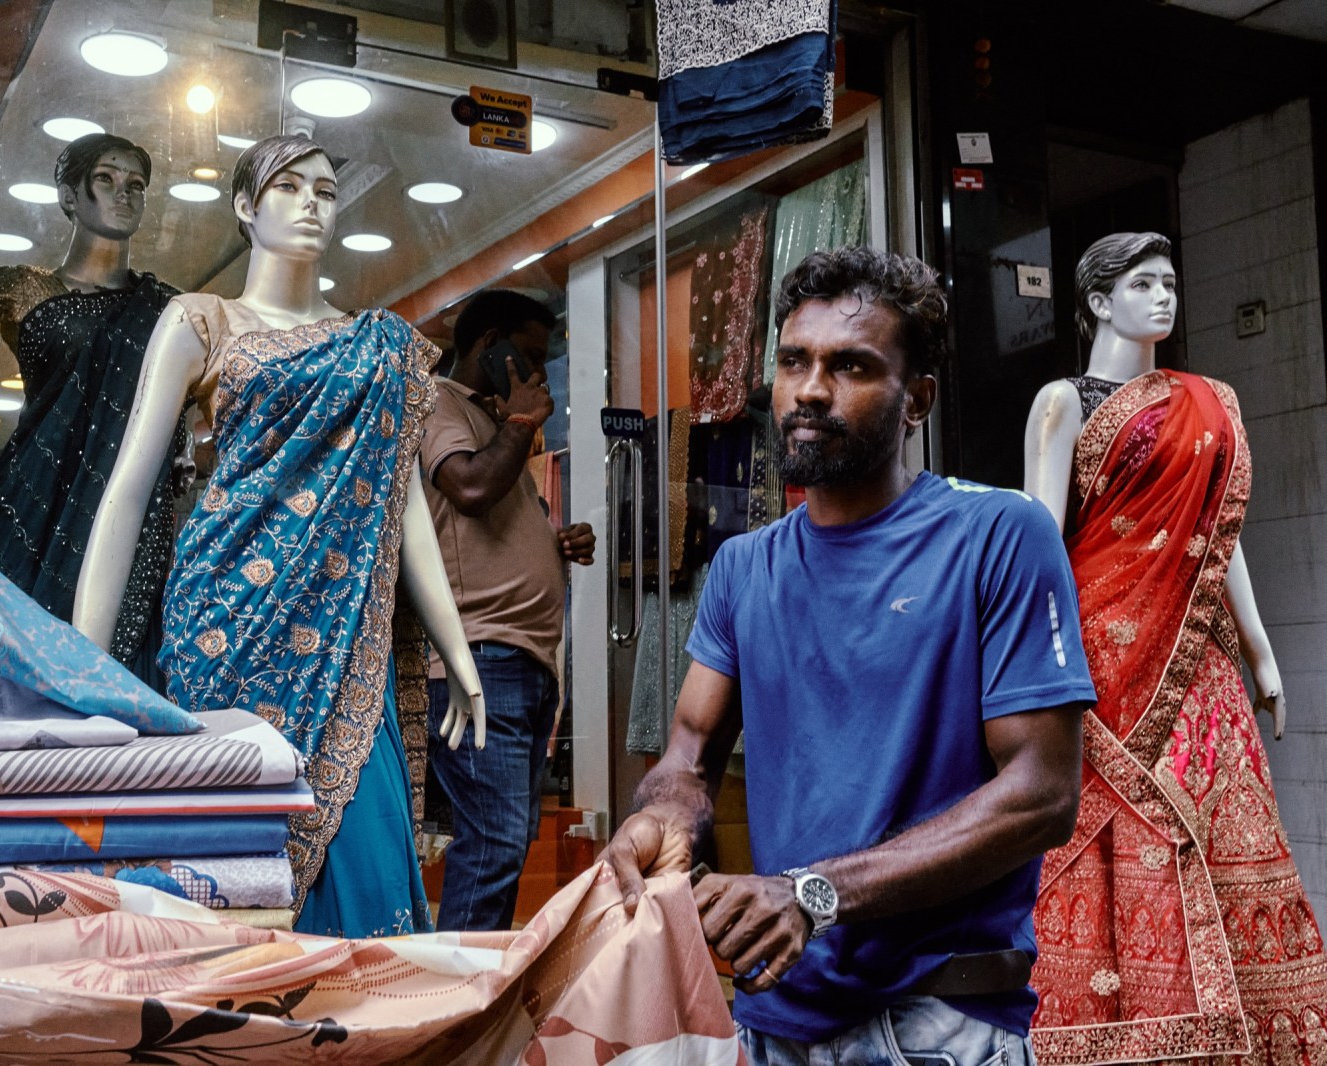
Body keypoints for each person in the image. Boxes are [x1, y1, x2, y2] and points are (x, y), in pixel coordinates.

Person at [603, 245, 1097, 1066]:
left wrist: (813, 893)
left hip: (936, 1021)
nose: (810, 389)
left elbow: (1043, 795)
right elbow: (688, 755)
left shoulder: (998, 535)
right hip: (776, 1013)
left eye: (851, 366)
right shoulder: (742, 567)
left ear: (918, 400)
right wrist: (662, 817)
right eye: (794, 361)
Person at [73, 134, 486, 939]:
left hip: (344, 638)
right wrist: (83, 670)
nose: (310, 203)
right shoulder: (202, 320)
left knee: (363, 838)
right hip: (223, 624)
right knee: (228, 863)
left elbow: (402, 508)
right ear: (244, 208)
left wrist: (458, 654)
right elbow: (126, 492)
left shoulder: (379, 351)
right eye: (288, 186)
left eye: (326, 190)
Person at [1023, 232, 1327, 1066]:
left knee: (1222, 827)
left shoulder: (1207, 401)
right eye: (1143, 283)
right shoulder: (1062, 402)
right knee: (1105, 839)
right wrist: (1031, 663)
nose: (1164, 297)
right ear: (1096, 301)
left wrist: (1261, 650)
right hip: (1097, 663)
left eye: (1170, 283)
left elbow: (1217, 539)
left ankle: (1239, 1033)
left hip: (1195, 665)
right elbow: (1040, 542)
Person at [0, 132, 183, 690]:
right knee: (15, 666)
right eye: (106, 180)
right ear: (69, 197)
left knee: (121, 672)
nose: (125, 194)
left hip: (126, 504)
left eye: (136, 184)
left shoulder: (167, 309)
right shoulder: (22, 290)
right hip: (35, 493)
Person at [419, 289, 596, 931]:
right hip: (479, 661)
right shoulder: (439, 403)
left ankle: (467, 1000)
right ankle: (455, 1008)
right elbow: (467, 487)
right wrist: (521, 423)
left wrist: (556, 541)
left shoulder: (493, 419)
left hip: (519, 663)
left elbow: (490, 528)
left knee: (507, 841)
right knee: (494, 843)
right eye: (526, 356)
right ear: (486, 345)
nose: (539, 374)